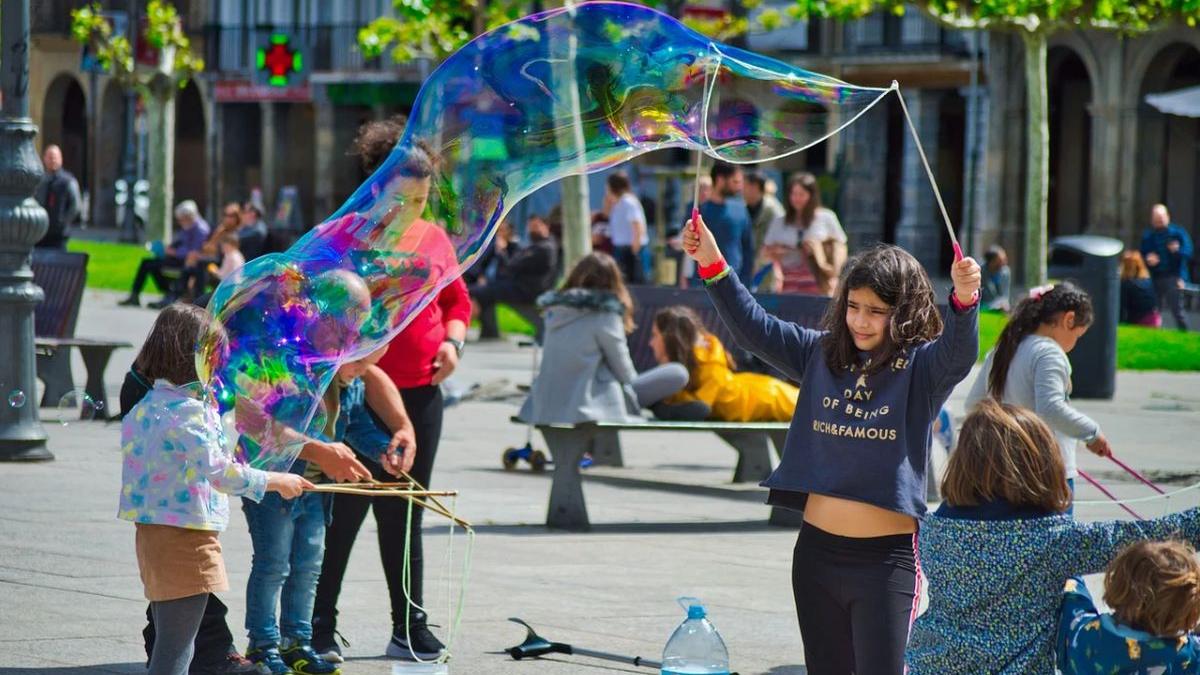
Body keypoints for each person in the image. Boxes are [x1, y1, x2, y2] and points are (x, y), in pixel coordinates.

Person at [683, 212, 981, 673]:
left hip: (887, 565)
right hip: (816, 556)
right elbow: (752, 328)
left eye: (877, 311)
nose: (861, 321)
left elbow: (960, 354)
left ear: (902, 313)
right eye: (854, 306)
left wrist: (965, 298)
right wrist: (712, 263)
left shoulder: (922, 369)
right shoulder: (820, 353)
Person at [313, 120, 471, 664]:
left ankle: (408, 626)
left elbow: (457, 303)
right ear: (375, 187)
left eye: (423, 199)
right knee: (343, 512)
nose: (414, 209)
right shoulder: (343, 236)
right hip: (355, 394)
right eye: (403, 198)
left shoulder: (433, 236)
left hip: (421, 392)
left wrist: (453, 344)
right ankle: (318, 624)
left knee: (406, 513)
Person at [905, 399, 1200, 673]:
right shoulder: (1054, 541)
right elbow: (1141, 537)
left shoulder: (935, 530)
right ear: (1041, 467)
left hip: (930, 665)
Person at [118, 303, 311, 675]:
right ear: (195, 358)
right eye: (214, 359)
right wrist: (276, 480)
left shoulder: (146, 407)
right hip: (187, 537)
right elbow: (221, 472)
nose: (219, 368)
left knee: (171, 641)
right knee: (177, 651)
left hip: (153, 534)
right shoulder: (187, 413)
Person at [965, 282, 1111, 503]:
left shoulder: (1004, 348)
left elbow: (974, 403)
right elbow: (1051, 408)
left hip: (1003, 469)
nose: (1074, 344)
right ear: (1069, 319)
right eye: (1078, 336)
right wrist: (1091, 433)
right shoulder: (1048, 353)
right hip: (1047, 473)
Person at [518, 253, 694, 425]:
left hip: (545, 403)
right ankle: (664, 408)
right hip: (590, 404)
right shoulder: (605, 315)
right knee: (677, 373)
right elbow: (624, 372)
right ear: (613, 282)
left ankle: (664, 407)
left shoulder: (554, 312)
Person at [1057, 540, 1200, 673]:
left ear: (1118, 584)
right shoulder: (1188, 655)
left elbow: (1072, 594)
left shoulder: (1085, 636)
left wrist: (1073, 579)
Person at [650, 305, 798, 422]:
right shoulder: (699, 363)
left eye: (655, 335)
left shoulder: (710, 368)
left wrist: (664, 401)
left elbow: (699, 408)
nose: (651, 343)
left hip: (774, 399)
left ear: (670, 339)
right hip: (766, 393)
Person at [470, 213, 557, 339]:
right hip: (522, 287)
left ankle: (462, 328)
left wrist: (502, 251)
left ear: (547, 226)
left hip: (527, 291)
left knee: (479, 292)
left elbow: (509, 268)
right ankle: (489, 331)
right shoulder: (538, 246)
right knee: (481, 291)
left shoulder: (544, 248)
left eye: (536, 226)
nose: (533, 230)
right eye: (531, 227)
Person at [761, 173, 847, 296]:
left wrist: (822, 257)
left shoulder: (827, 217)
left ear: (812, 195)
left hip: (820, 285)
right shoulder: (779, 222)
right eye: (793, 194)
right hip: (787, 285)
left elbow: (840, 245)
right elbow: (765, 252)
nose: (797, 198)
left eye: (801, 194)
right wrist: (778, 252)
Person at [120, 200, 211, 308]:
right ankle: (135, 295)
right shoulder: (188, 226)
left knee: (153, 265)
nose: (180, 222)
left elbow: (195, 251)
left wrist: (175, 252)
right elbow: (181, 241)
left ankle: (169, 294)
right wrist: (168, 248)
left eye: (182, 219)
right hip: (178, 258)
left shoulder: (200, 229)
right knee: (147, 263)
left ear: (189, 216)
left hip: (189, 261)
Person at [693, 163, 754, 284]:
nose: (740, 187)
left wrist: (746, 280)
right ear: (720, 180)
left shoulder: (740, 209)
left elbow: (748, 248)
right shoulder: (699, 211)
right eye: (735, 182)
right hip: (704, 283)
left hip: (736, 282)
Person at [1140, 203, 1193, 330]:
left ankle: (1185, 333)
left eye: (1161, 219)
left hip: (1173, 277)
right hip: (1154, 277)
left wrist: (1177, 251)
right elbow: (1142, 255)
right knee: (1153, 309)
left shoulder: (1178, 233)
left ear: (1167, 217)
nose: (1159, 222)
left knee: (1177, 310)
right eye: (1156, 219)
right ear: (1152, 220)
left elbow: (1188, 253)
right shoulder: (1148, 236)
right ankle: (1155, 333)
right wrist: (1148, 259)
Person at [606, 171, 650, 283]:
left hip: (630, 251)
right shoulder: (618, 203)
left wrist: (634, 251)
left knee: (635, 285)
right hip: (621, 249)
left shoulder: (628, 202)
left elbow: (637, 225)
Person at [34, 144, 81, 249]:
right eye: (50, 157)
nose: (53, 160)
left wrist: (63, 222)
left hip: (59, 234)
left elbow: (75, 206)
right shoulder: (40, 181)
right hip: (41, 232)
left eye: (55, 157)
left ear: (61, 159)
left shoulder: (68, 181)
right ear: (44, 159)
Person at [1119, 250, 1162, 327]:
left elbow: (1122, 308)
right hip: (1155, 318)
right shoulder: (1147, 280)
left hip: (1140, 320)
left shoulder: (1126, 284)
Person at [980, 245, 1011, 311]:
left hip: (1000, 307)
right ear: (991, 262)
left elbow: (1005, 294)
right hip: (983, 308)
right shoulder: (980, 272)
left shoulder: (1005, 272)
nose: (1004, 263)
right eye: (1000, 261)